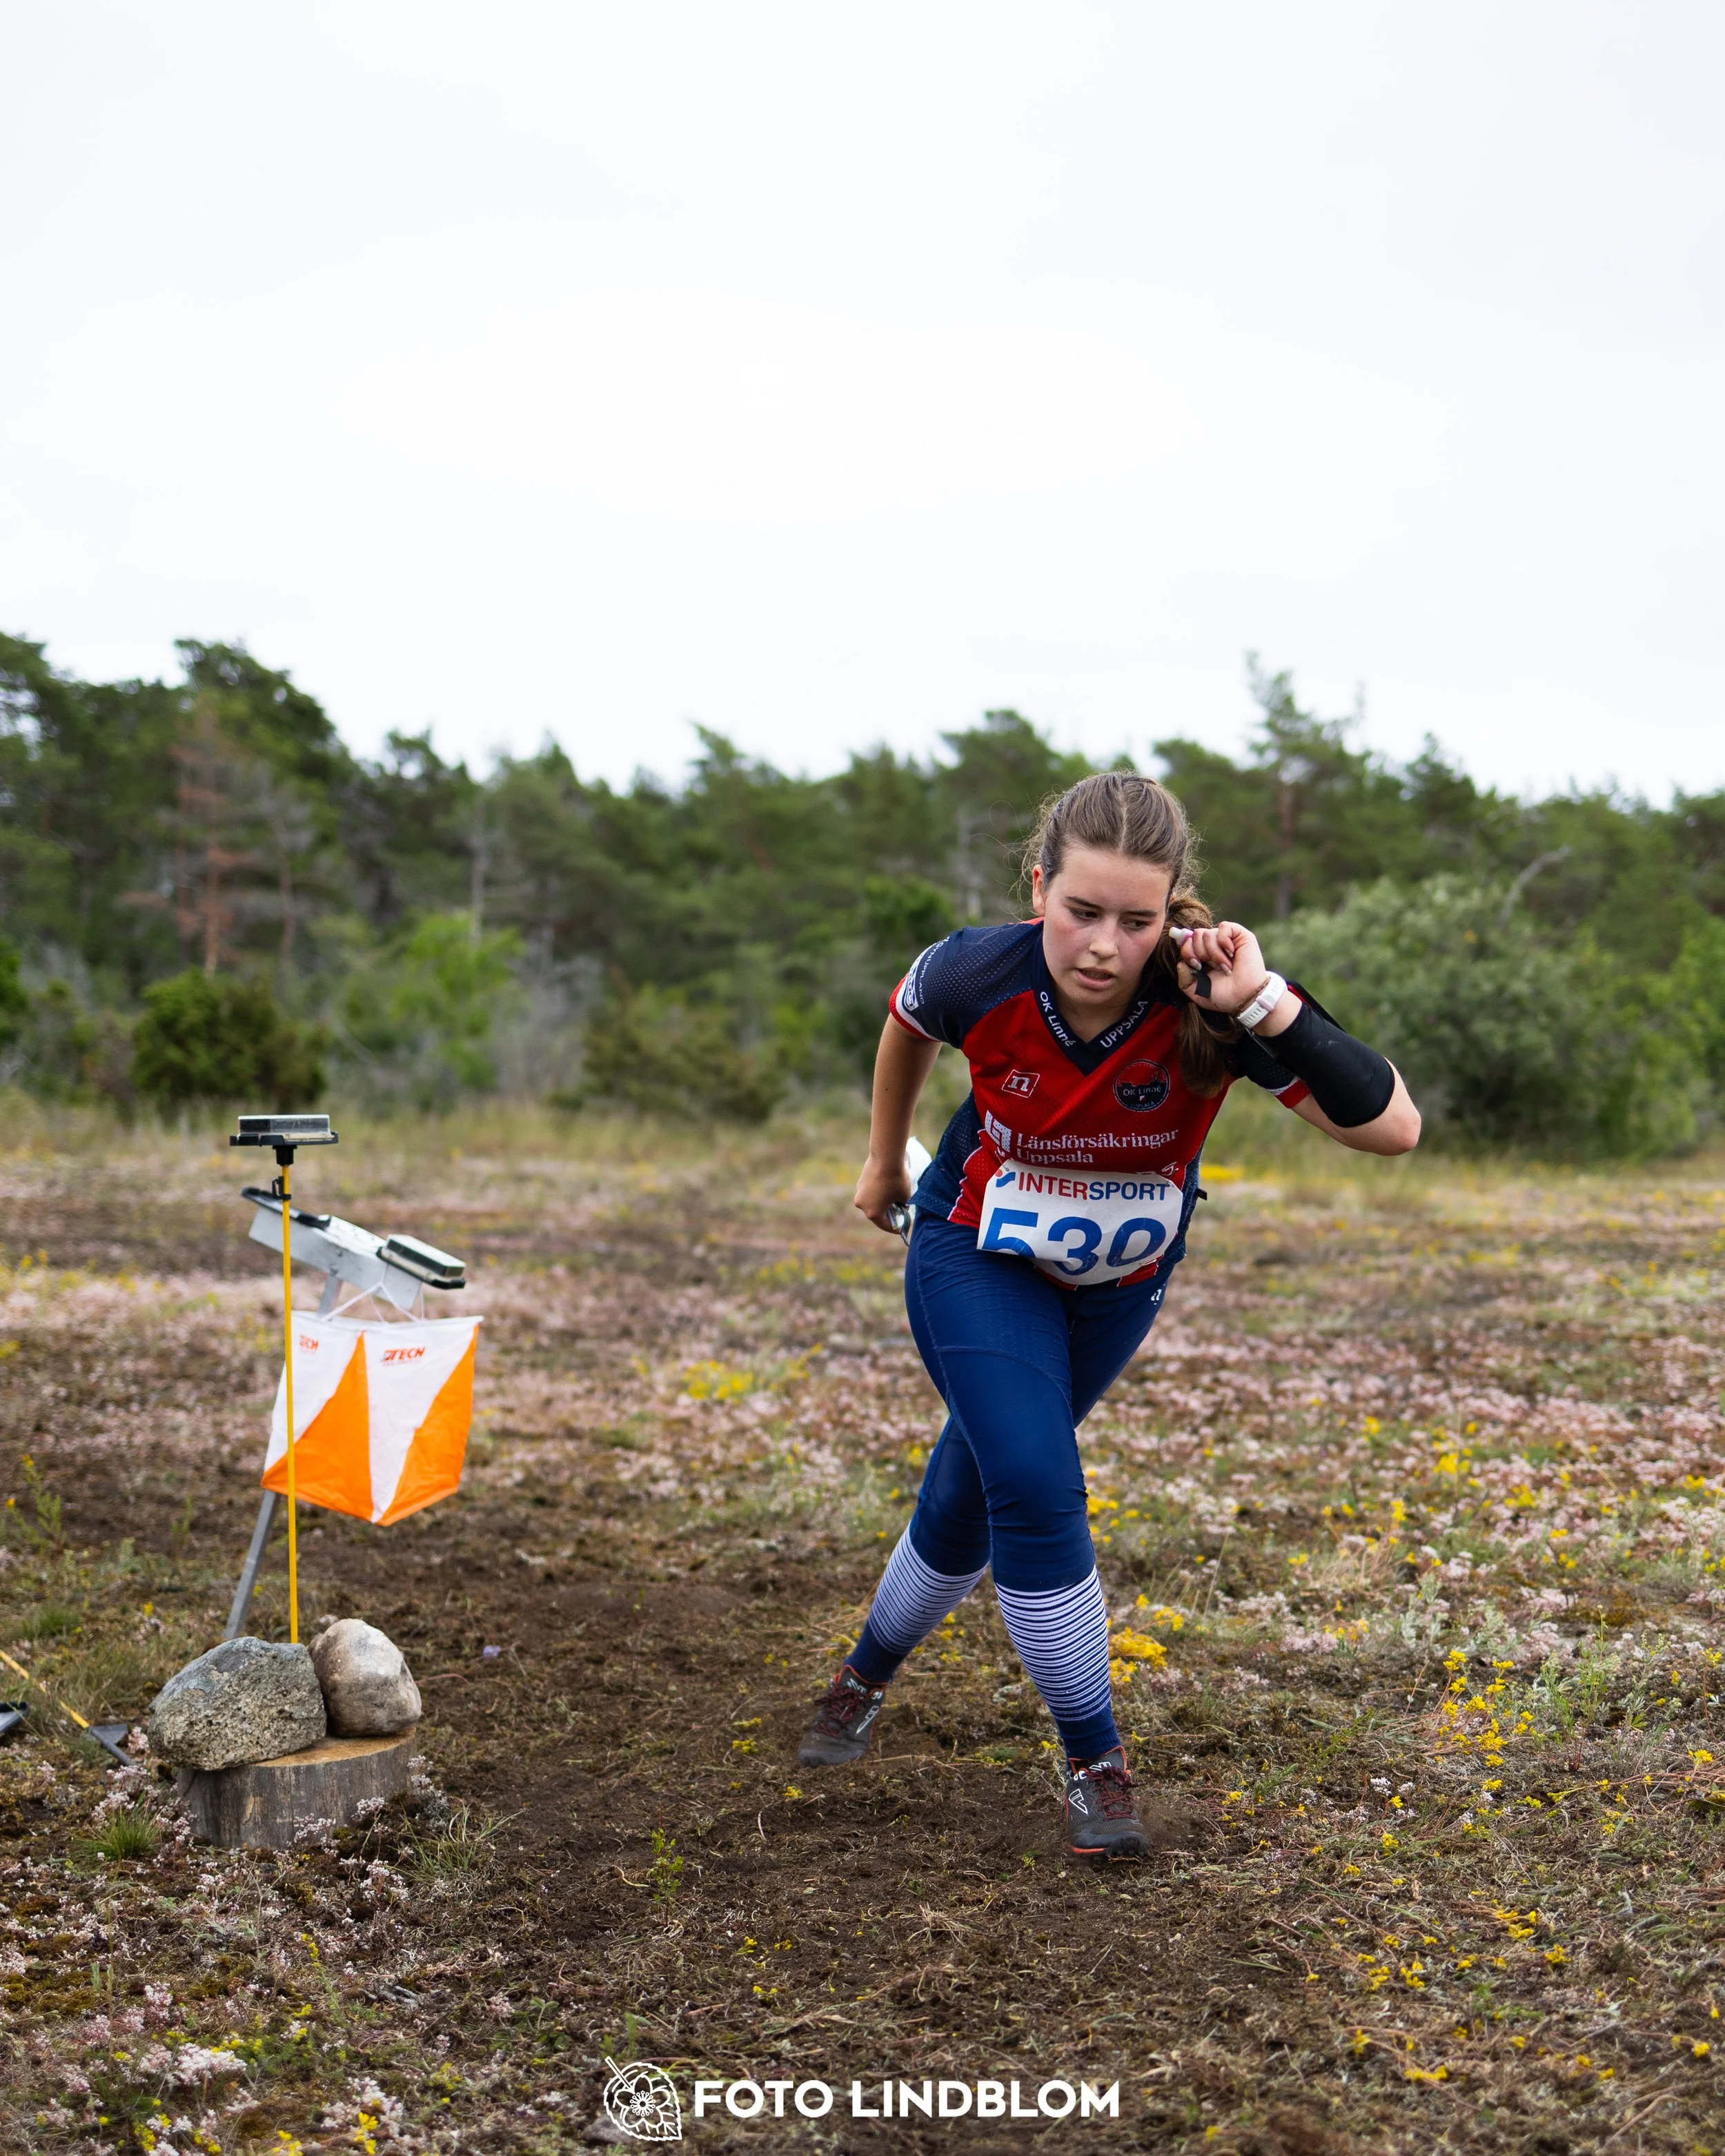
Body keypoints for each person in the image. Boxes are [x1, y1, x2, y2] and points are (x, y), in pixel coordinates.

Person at [798, 771, 1420, 1859]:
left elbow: (1392, 1128)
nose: (1102, 944)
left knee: (972, 1487)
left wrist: (1264, 1005)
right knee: (1034, 1481)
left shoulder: (1211, 997)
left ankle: (863, 1676)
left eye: (1137, 920)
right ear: (1040, 887)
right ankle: (1096, 1759)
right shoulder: (975, 968)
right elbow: (906, 1027)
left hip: (1118, 1288)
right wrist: (876, 1156)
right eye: (1081, 911)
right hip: (975, 1249)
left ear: (1175, 907)